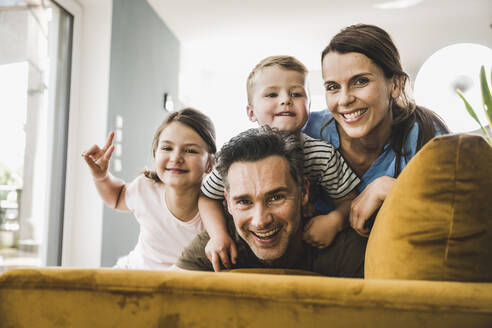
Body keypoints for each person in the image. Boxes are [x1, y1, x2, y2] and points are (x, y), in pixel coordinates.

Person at [199, 56, 360, 272]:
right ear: (251, 112)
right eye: (272, 94)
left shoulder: (322, 153)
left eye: (296, 93)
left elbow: (350, 200)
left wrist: (334, 221)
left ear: (309, 106)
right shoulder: (237, 158)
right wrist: (218, 235)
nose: (286, 100)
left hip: (306, 240)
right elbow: (207, 197)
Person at [303, 24, 449, 237]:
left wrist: (394, 189)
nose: (344, 100)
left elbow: (460, 215)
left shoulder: (427, 138)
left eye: (361, 81)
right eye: (333, 87)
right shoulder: (310, 132)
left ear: (395, 85)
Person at [176, 126, 366, 277]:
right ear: (228, 203)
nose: (260, 221)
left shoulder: (347, 251)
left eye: (276, 198)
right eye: (244, 201)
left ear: (304, 192)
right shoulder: (215, 249)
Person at [81, 108, 216, 270]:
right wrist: (101, 177)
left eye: (190, 151)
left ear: (210, 163)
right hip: (131, 273)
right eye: (167, 148)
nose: (176, 158)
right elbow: (116, 198)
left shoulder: (215, 212)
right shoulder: (146, 188)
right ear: (155, 155)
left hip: (175, 287)